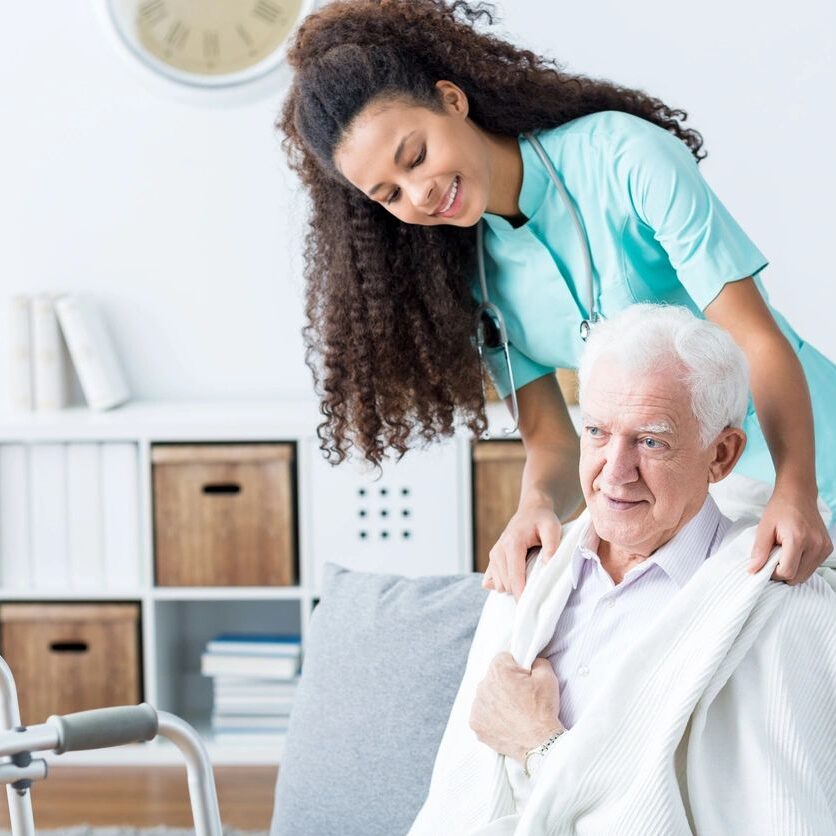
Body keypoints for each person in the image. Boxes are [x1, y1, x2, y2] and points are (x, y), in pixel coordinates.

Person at [279, 0, 834, 595]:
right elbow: (551, 439)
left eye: (415, 156)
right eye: (389, 193)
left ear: (452, 99)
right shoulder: (472, 281)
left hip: (807, 454)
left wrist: (796, 489)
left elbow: (754, 339)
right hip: (685, 502)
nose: (420, 193)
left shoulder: (623, 157)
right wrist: (534, 506)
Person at [408, 305, 836, 834]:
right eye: (597, 432)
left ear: (722, 456)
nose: (615, 471)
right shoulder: (528, 577)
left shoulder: (781, 606)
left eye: (651, 441)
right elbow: (458, 802)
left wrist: (538, 744)